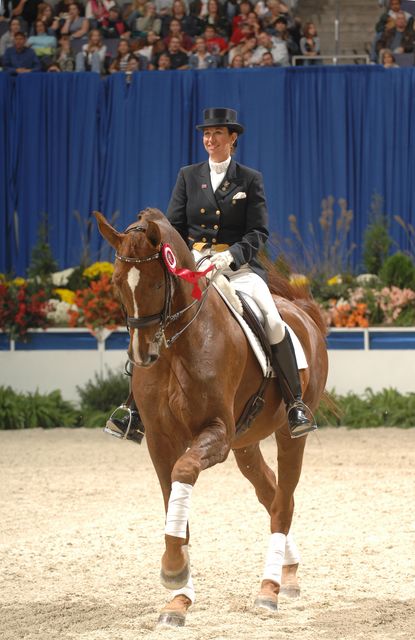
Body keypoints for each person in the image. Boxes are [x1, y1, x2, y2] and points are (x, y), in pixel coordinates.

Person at [106, 108, 315, 444]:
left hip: (239, 269)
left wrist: (229, 257)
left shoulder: (249, 179)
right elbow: (172, 227)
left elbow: (258, 232)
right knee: (158, 319)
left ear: (232, 139)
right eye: (206, 134)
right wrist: (189, 259)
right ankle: (134, 409)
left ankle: (295, 404)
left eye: (218, 133)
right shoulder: (189, 176)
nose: (210, 139)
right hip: (193, 267)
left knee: (273, 321)